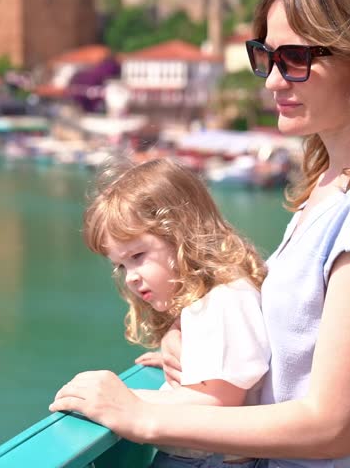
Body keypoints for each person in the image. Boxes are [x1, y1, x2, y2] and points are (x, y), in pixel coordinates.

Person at [50, 0, 350, 467]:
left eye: (295, 58)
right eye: (265, 56)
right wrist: (198, 344)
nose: (273, 80)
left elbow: (329, 426)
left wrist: (138, 415)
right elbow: (301, 349)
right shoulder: (333, 191)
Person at [76, 157, 270, 468]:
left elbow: (215, 403)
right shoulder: (216, 298)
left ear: (183, 234)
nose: (131, 277)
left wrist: (121, 400)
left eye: (138, 255)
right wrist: (194, 358)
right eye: (121, 265)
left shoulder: (224, 301)